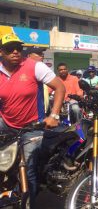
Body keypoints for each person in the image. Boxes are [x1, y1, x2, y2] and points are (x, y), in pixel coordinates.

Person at [0, 33, 65, 208]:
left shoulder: (34, 66)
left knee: (28, 169)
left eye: (18, 48)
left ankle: (30, 203)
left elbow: (59, 87)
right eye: (9, 48)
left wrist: (54, 115)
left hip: (32, 127)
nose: (15, 51)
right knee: (3, 164)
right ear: (1, 51)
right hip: (5, 124)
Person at [23, 46, 49, 113]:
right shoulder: (22, 70)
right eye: (39, 53)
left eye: (42, 53)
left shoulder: (42, 68)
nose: (42, 55)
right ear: (29, 56)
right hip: (28, 113)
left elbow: (59, 88)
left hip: (41, 111)